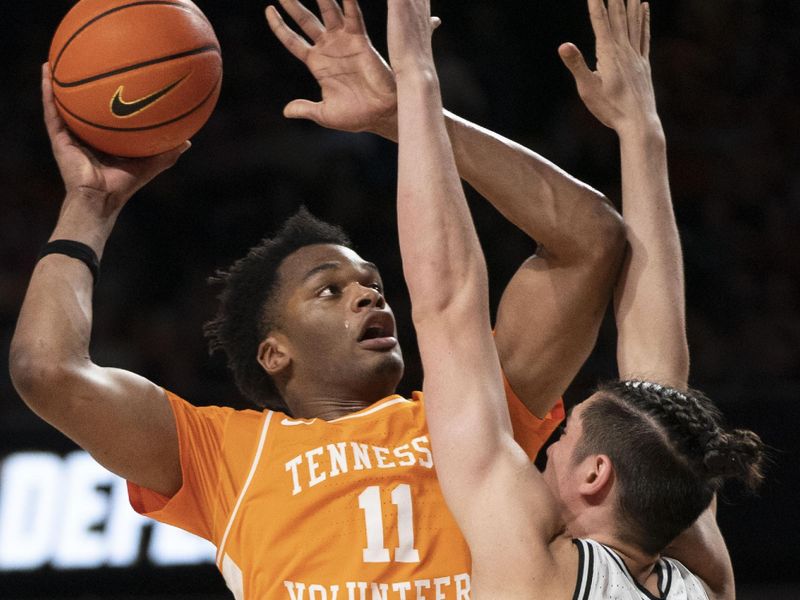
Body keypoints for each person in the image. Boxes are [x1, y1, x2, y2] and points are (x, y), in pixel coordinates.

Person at [9, 2, 624, 599]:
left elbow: (589, 239)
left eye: (374, 286)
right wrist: (88, 208)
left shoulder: (473, 416)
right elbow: (48, 370)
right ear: (275, 352)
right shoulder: (223, 456)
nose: (367, 296)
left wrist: (408, 117)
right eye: (331, 290)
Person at [415, 0, 766, 599]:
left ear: (595, 475)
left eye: (564, 438)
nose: (547, 450)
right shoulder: (703, 584)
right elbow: (661, 380)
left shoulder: (539, 572)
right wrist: (640, 131)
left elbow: (451, 302)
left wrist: (414, 80)